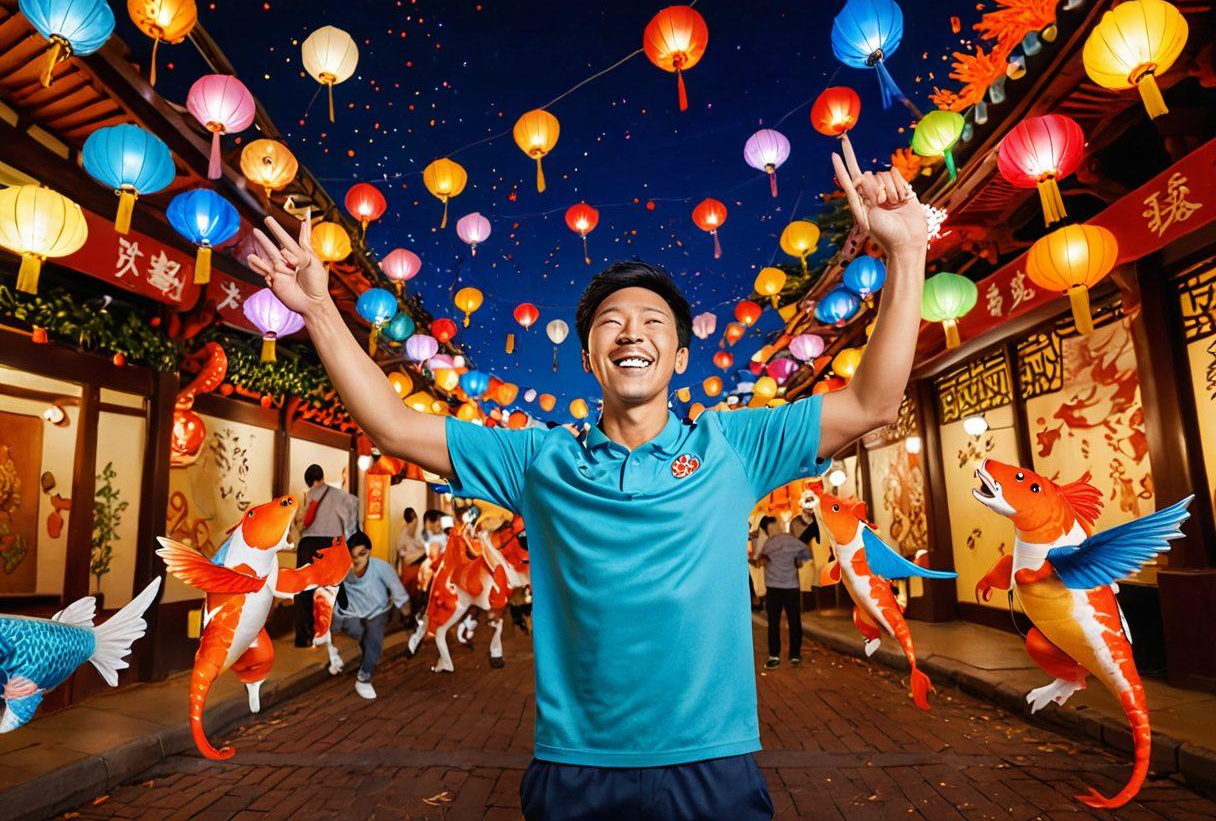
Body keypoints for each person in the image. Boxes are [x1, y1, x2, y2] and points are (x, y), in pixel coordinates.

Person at [249, 144, 927, 819]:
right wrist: (320, 312)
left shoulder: (734, 446)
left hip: (713, 761)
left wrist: (906, 252)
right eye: (613, 323)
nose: (632, 333)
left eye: (652, 323)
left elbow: (873, 403)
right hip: (576, 767)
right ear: (589, 358)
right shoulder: (540, 461)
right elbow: (396, 428)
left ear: (681, 357)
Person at [331, 531, 411, 699]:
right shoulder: (341, 571)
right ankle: (366, 658)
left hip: (378, 612)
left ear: (369, 552)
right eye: (352, 556)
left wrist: (409, 618)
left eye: (362, 554)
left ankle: (364, 678)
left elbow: (399, 595)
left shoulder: (381, 568)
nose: (357, 560)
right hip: (350, 615)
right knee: (365, 639)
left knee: (373, 638)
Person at [295, 464, 359, 647]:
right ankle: (341, 626)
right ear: (322, 476)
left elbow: (303, 522)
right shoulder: (340, 495)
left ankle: (304, 636)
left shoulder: (311, 494)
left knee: (304, 589)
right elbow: (352, 512)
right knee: (337, 585)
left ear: (309, 481)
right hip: (332, 544)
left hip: (309, 544)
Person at [755, 516, 811, 669]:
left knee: (773, 623)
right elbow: (805, 554)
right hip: (791, 587)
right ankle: (794, 655)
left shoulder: (765, 543)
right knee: (794, 621)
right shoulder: (791, 540)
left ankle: (774, 656)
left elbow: (758, 560)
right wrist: (797, 560)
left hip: (773, 588)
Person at [395, 507, 426, 610]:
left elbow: (402, 550)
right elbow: (400, 553)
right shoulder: (406, 533)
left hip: (412, 566)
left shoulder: (409, 534)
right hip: (412, 566)